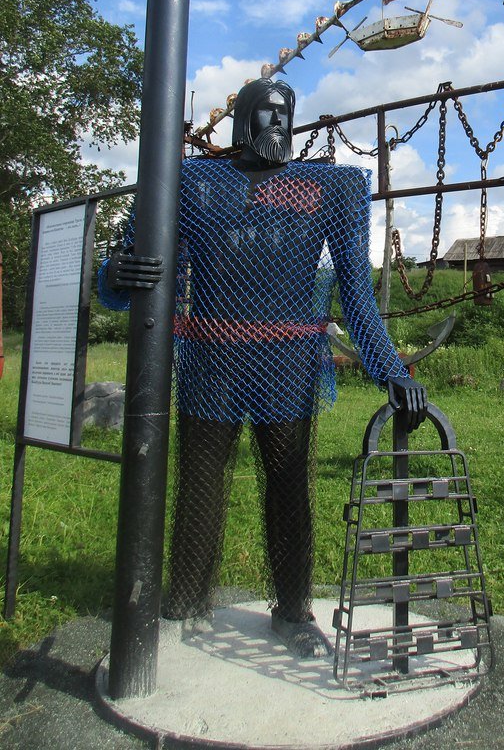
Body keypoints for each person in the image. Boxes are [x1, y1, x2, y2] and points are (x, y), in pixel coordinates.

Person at [99, 77, 427, 657]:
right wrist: (115, 274)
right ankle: (185, 603)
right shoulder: (193, 183)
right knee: (200, 485)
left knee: (289, 487)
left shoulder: (329, 187)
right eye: (266, 113)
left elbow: (356, 293)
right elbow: (134, 269)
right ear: (242, 119)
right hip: (211, 359)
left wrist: (389, 368)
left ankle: (293, 611)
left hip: (286, 364)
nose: (278, 124)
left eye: (285, 114)